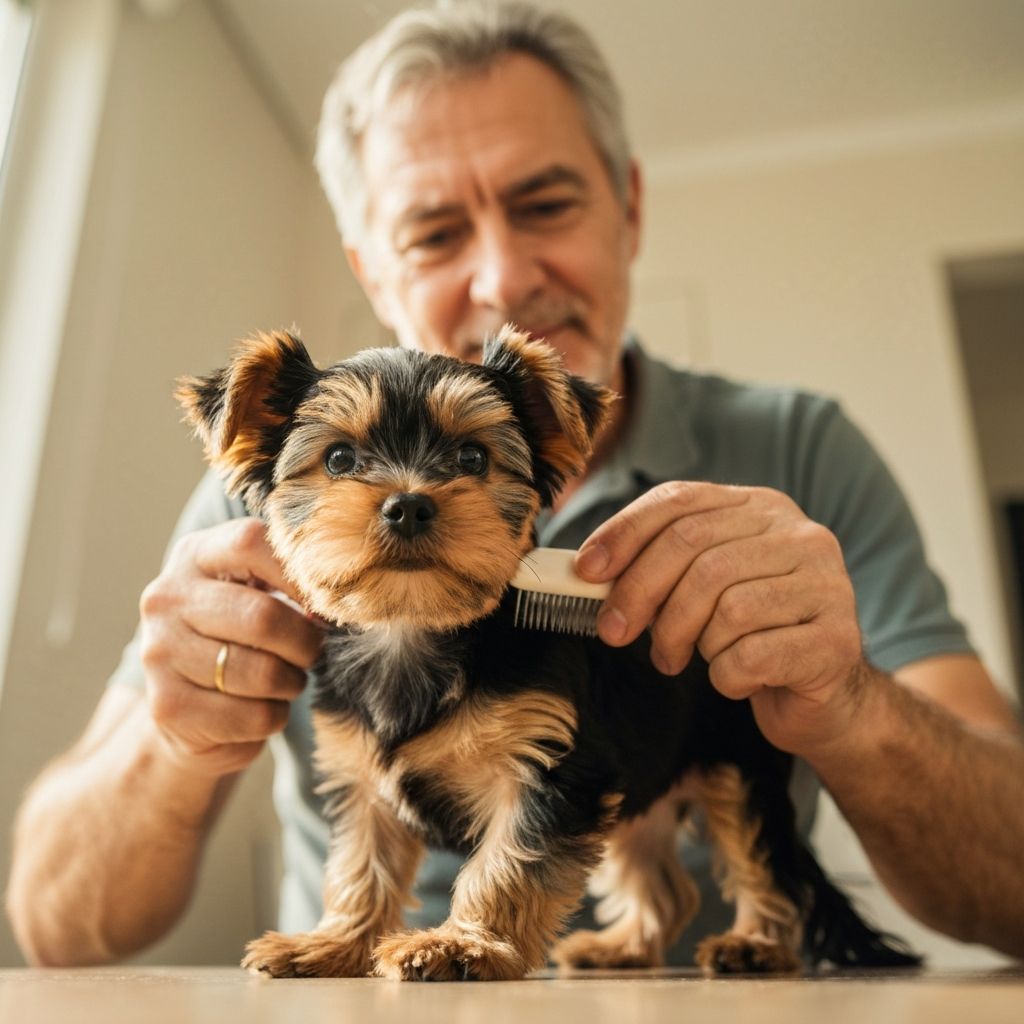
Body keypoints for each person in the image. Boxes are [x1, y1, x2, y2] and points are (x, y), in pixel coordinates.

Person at [7, 1, 1023, 967]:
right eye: (435, 232)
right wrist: (168, 731)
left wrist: (851, 701)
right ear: (372, 267)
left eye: (544, 203)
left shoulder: (798, 449)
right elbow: (52, 928)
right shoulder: (255, 504)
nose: (502, 276)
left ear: (627, 205)